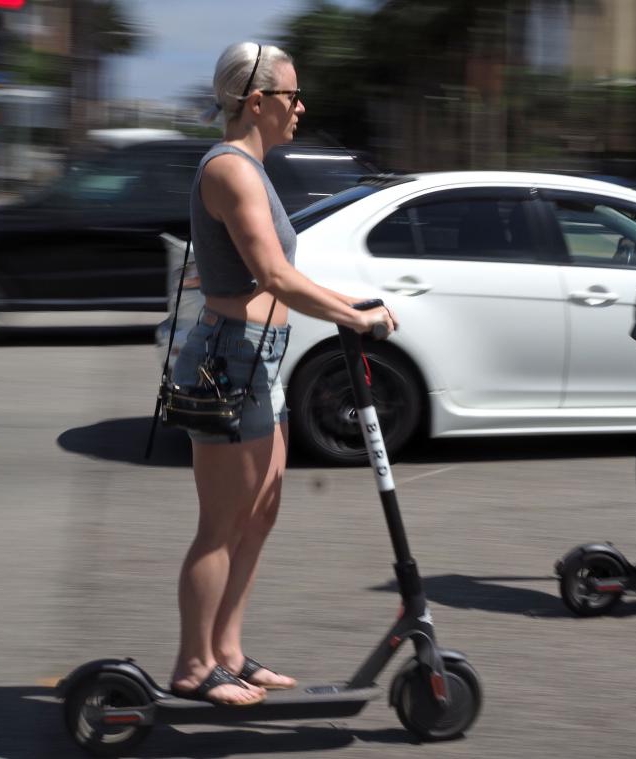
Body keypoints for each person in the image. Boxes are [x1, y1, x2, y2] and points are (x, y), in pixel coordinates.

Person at [168, 42, 397, 706]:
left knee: (261, 511)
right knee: (222, 520)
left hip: (260, 354)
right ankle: (192, 662)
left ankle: (228, 650)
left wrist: (347, 303)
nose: (301, 108)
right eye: (294, 96)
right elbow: (270, 275)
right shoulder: (230, 171)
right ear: (259, 101)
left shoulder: (255, 169)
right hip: (227, 356)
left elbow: (283, 275)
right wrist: (351, 317)